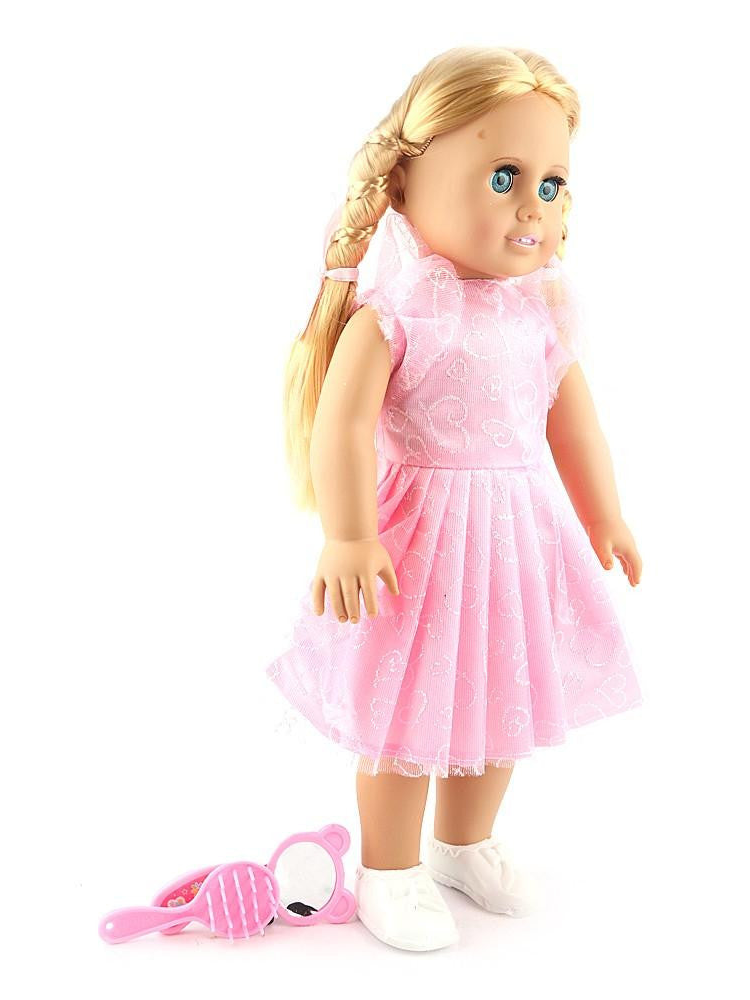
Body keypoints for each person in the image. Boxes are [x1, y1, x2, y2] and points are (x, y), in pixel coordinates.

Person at [266, 45, 644, 951]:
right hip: (420, 547)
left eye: (552, 184)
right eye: (504, 177)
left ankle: (464, 843)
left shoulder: (539, 312)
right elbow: (342, 427)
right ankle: (389, 868)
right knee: (406, 713)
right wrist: (348, 535)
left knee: (500, 700)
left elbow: (573, 425)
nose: (533, 206)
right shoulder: (398, 312)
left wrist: (604, 513)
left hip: (515, 543)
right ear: (404, 185)